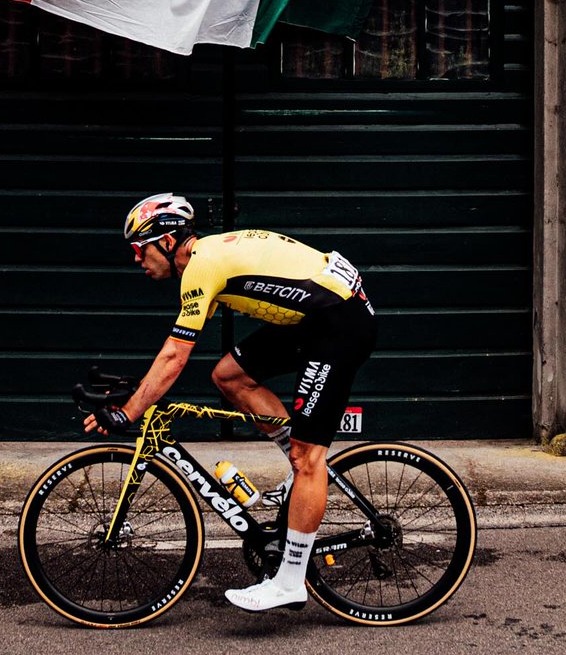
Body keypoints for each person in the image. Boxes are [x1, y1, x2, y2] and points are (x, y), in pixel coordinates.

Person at [84, 192, 378, 614]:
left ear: (167, 242)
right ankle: (302, 474)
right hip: (318, 317)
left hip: (340, 323)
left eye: (139, 248)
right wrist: (140, 391)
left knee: (307, 456)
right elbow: (173, 355)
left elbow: (174, 355)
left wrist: (128, 411)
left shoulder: (202, 266)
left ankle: (290, 580)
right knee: (228, 376)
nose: (136, 260)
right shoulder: (207, 258)